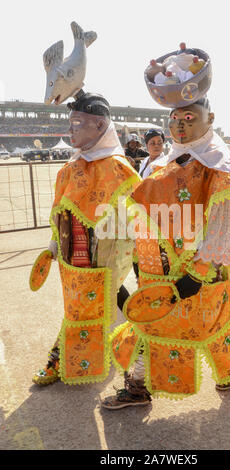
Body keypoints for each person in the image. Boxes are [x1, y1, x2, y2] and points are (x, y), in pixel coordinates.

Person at [101, 91, 230, 409]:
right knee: (151, 324)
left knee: (215, 322)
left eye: (190, 118)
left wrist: (198, 272)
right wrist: (137, 255)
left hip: (199, 272)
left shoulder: (219, 164)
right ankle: (139, 386)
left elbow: (221, 224)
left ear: (209, 120)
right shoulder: (170, 160)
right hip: (160, 269)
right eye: (174, 119)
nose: (180, 126)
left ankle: (227, 375)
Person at [32, 92, 141, 386]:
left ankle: (58, 360)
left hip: (104, 259)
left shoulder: (119, 169)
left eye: (78, 122)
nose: (71, 129)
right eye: (71, 122)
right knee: (91, 309)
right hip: (71, 260)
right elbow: (61, 212)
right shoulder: (70, 167)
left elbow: (136, 218)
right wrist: (55, 243)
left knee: (83, 310)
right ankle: (126, 344)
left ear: (101, 126)